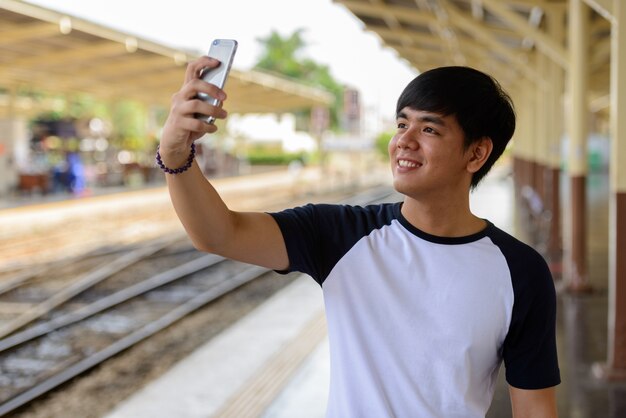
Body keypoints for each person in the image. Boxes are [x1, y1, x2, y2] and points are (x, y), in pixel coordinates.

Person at [157, 56, 560, 418]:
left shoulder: (520, 271)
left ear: (476, 154)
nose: (404, 139)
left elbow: (534, 407)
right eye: (402, 123)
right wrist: (176, 156)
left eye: (429, 129)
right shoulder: (339, 235)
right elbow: (219, 233)